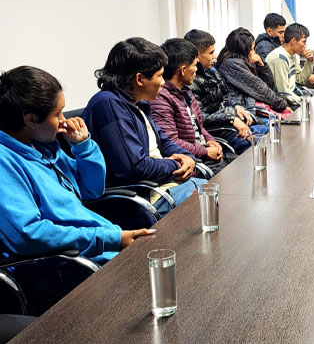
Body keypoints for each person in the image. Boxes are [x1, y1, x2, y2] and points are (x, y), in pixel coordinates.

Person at [0, 66, 153, 263]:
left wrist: (83, 147)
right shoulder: (6, 162)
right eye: (58, 114)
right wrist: (109, 239)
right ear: (31, 119)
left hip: (97, 248)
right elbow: (28, 234)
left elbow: (92, 190)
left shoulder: (41, 146)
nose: (64, 121)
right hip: (67, 266)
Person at [83, 38, 207, 216]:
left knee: (217, 195)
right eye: (159, 76)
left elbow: (163, 142)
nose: (163, 82)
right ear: (140, 79)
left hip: (162, 187)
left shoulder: (137, 103)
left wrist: (188, 157)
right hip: (144, 198)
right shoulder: (109, 105)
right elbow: (134, 167)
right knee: (214, 200)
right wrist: (175, 164)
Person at [150, 38, 232, 175]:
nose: (196, 69)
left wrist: (211, 141)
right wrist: (205, 151)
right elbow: (172, 142)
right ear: (182, 70)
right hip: (195, 163)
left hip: (204, 156)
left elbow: (199, 127)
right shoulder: (161, 98)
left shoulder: (185, 91)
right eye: (194, 65)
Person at [184, 29, 257, 154]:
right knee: (255, 140)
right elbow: (201, 117)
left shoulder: (212, 70)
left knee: (269, 129)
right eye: (211, 53)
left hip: (228, 121)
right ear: (196, 55)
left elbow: (226, 97)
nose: (215, 56)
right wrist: (231, 118)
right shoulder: (190, 81)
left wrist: (236, 107)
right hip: (217, 129)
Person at [215, 28, 289, 113]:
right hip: (241, 109)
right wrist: (282, 105)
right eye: (251, 49)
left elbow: (268, 85)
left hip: (249, 105)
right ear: (242, 49)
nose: (254, 52)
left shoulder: (243, 59)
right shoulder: (232, 63)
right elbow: (259, 88)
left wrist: (261, 64)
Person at [265, 23, 314, 107]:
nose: (305, 45)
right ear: (293, 41)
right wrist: (304, 101)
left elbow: (300, 80)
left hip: (294, 92)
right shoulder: (279, 58)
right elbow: (283, 92)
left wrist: (309, 62)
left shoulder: (293, 54)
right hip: (283, 100)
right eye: (304, 41)